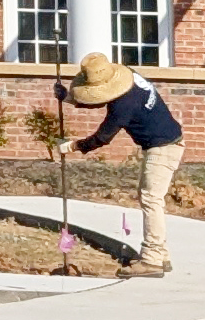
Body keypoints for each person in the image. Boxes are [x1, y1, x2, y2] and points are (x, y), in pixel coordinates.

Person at [63, 50, 185, 276]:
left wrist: (74, 146)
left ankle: (153, 260)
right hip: (166, 141)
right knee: (150, 197)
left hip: (164, 147)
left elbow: (103, 137)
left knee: (150, 198)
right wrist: (70, 99)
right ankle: (161, 255)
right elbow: (101, 99)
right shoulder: (129, 76)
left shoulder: (124, 105)